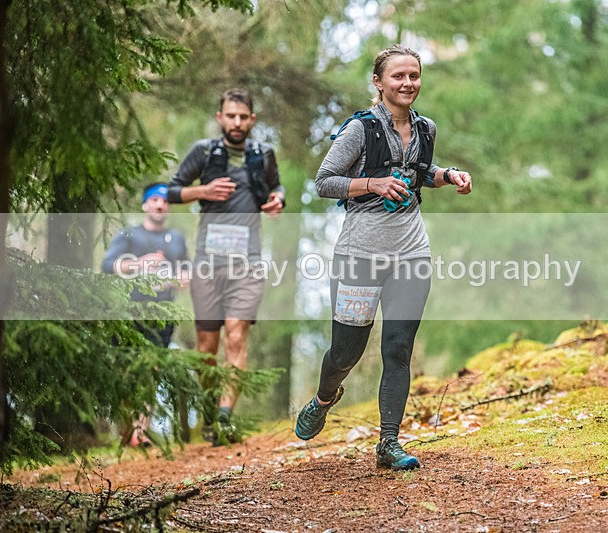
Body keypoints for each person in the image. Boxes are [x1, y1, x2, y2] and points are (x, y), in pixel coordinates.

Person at [295, 44, 472, 470]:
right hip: (360, 255)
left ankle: (388, 442)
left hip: (411, 253)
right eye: (398, 76)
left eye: (414, 76)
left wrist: (447, 176)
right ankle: (324, 398)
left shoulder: (426, 128)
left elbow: (417, 170)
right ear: (378, 82)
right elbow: (324, 182)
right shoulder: (360, 130)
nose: (408, 83)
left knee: (398, 350)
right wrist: (371, 185)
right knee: (345, 353)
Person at [167, 88, 285, 445]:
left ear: (252, 119)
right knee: (206, 346)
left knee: (236, 336)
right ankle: (206, 412)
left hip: (247, 263)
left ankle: (225, 417)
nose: (237, 122)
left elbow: (277, 187)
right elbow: (170, 191)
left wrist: (278, 200)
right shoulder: (204, 152)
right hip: (207, 263)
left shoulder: (263, 154)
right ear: (220, 118)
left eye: (243, 116)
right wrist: (201, 192)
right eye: (230, 115)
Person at [101, 182, 190, 446]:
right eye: (154, 201)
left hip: (162, 315)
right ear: (145, 205)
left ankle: (140, 431)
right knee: (127, 370)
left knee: (152, 369)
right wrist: (139, 264)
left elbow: (187, 268)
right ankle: (127, 427)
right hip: (128, 312)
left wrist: (183, 277)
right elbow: (107, 265)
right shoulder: (129, 234)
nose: (160, 205)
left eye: (165, 201)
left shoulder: (177, 238)